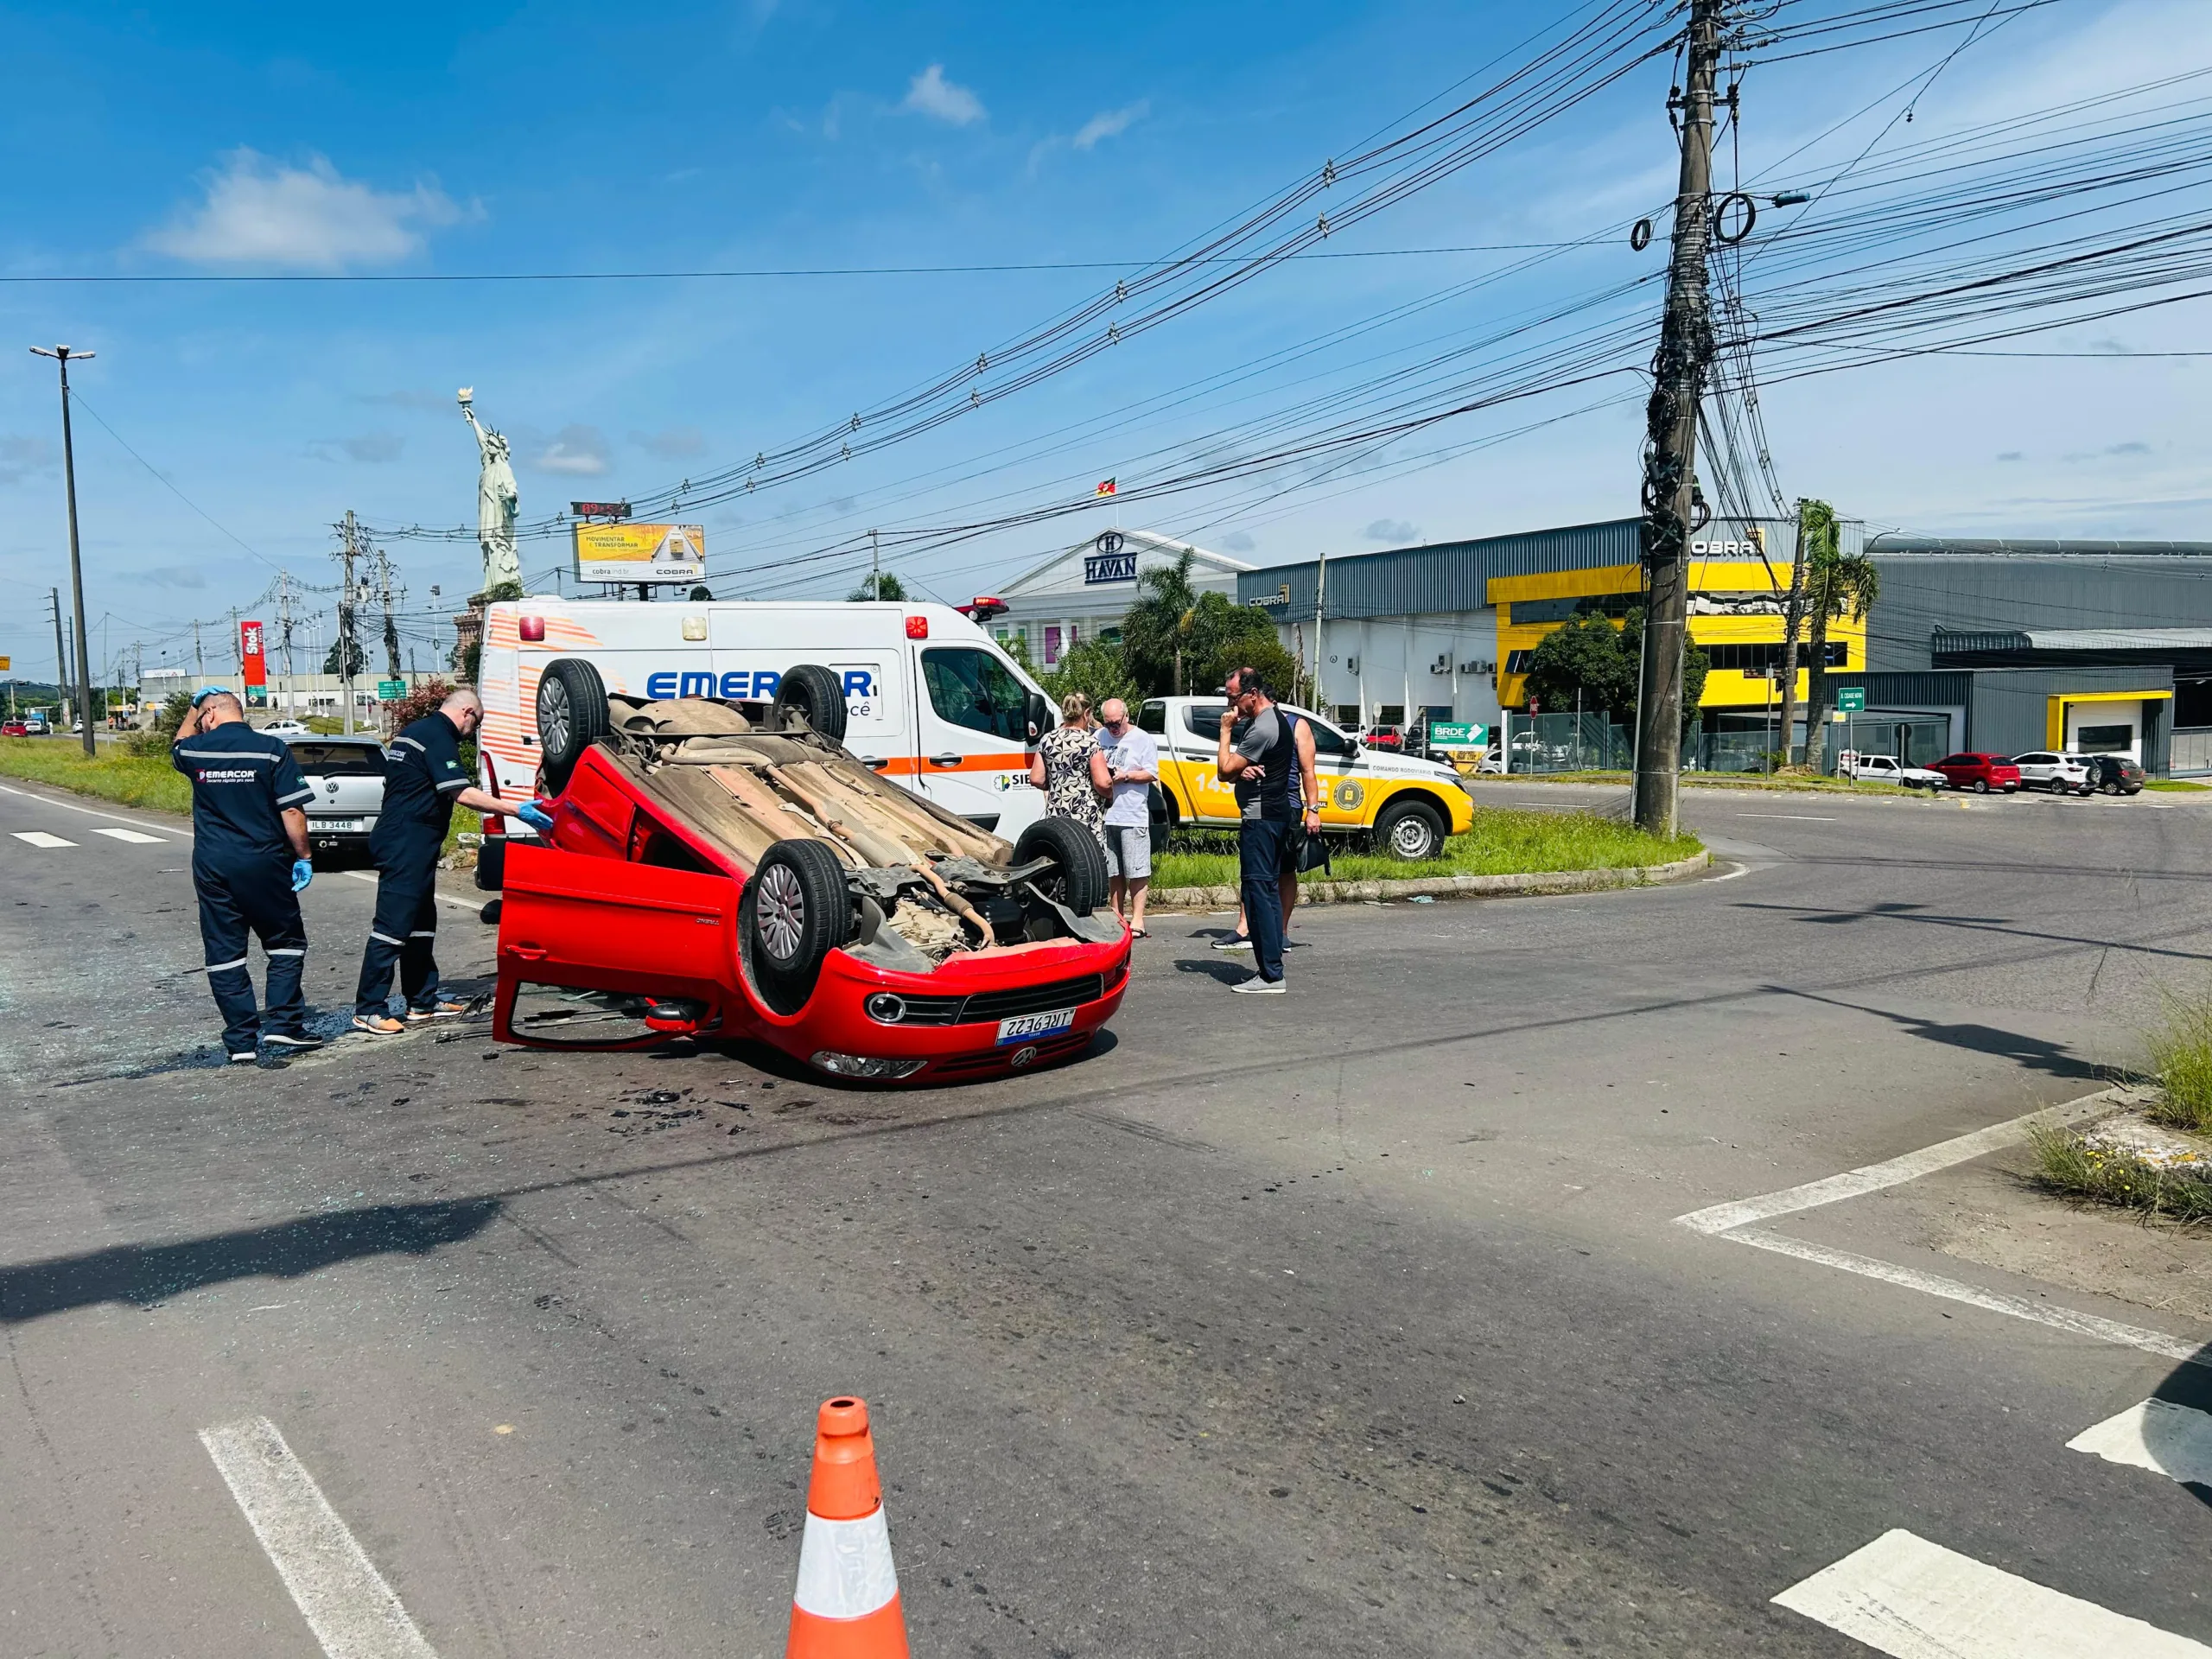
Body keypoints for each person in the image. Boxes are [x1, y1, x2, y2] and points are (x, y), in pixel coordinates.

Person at [170, 688, 321, 1061]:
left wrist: (193, 710)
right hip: (264, 861)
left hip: (213, 864)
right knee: (285, 943)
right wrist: (304, 855)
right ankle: (284, 1027)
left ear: (210, 715)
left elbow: (178, 742)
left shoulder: (196, 750)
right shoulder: (271, 749)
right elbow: (292, 812)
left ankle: (240, 1042)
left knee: (225, 951)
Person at [353, 687, 510, 1035]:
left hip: (413, 839)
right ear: (467, 712)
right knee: (394, 925)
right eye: (476, 723)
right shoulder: (437, 736)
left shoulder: (414, 732)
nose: (473, 731)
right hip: (405, 841)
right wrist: (517, 810)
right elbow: (461, 793)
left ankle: (422, 999)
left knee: (422, 921)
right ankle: (369, 1007)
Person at [1216, 670, 1322, 993]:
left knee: (1258, 891)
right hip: (1274, 815)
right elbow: (1245, 771)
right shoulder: (1274, 720)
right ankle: (1272, 965)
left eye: (1234, 697)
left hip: (1262, 819)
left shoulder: (1261, 726)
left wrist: (1225, 731)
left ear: (1252, 693)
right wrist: (1242, 771)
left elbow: (1223, 771)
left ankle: (1271, 974)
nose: (1231, 705)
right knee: (1267, 891)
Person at [1095, 697, 1160, 938]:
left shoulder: (1142, 739)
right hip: (1107, 814)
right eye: (1108, 723)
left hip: (1132, 813)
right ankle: (1118, 917)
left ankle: (1139, 920)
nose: (1112, 728)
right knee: (1114, 871)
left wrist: (1127, 776)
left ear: (1127, 717)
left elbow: (1152, 773)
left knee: (1137, 869)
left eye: (1116, 723)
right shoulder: (1099, 736)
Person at [1028, 691, 1110, 855]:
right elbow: (1103, 783)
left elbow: (1036, 778)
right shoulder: (1090, 742)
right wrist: (1110, 795)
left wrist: (1058, 785)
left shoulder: (1047, 740)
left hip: (1057, 816)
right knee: (1090, 865)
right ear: (1087, 713)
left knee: (1062, 862)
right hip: (1086, 818)